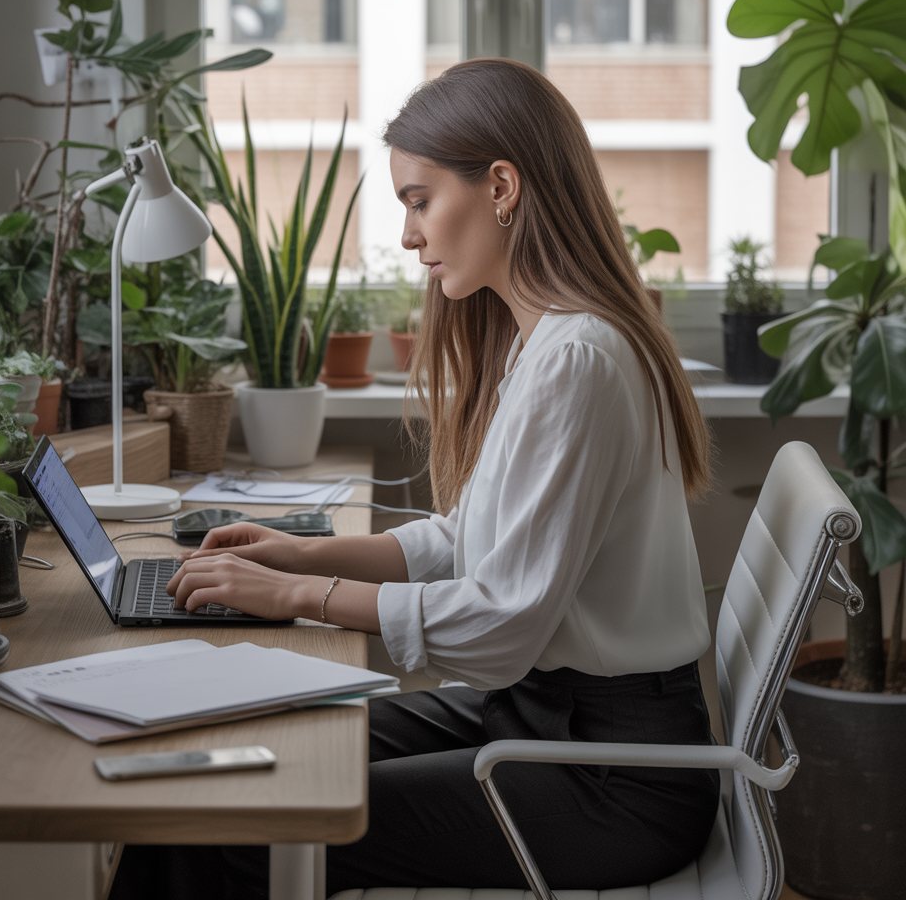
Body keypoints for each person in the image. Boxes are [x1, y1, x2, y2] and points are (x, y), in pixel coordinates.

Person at [109, 58, 718, 899]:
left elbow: (503, 623)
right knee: (221, 773)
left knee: (224, 829)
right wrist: (298, 556)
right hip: (540, 719)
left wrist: (296, 598)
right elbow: (464, 540)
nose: (408, 235)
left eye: (419, 199)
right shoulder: (543, 340)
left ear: (501, 186)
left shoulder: (578, 356)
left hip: (610, 777)